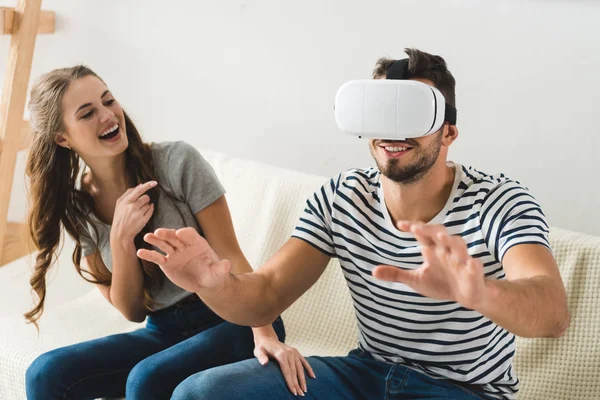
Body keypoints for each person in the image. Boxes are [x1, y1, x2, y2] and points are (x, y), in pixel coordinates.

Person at [138, 48, 570, 400]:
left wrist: (481, 292)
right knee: (202, 393)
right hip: (364, 374)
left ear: (449, 132)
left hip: (463, 390)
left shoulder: (499, 200)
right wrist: (211, 284)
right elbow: (265, 296)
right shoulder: (341, 196)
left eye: (412, 114)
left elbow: (552, 313)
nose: (391, 132)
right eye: (381, 113)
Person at [23, 65, 313, 400]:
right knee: (45, 373)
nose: (108, 116)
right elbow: (132, 311)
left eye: (109, 101)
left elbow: (230, 256)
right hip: (163, 330)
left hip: (233, 319)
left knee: (145, 380)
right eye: (88, 113)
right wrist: (120, 240)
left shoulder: (176, 161)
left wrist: (262, 330)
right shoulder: (78, 208)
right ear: (62, 138)